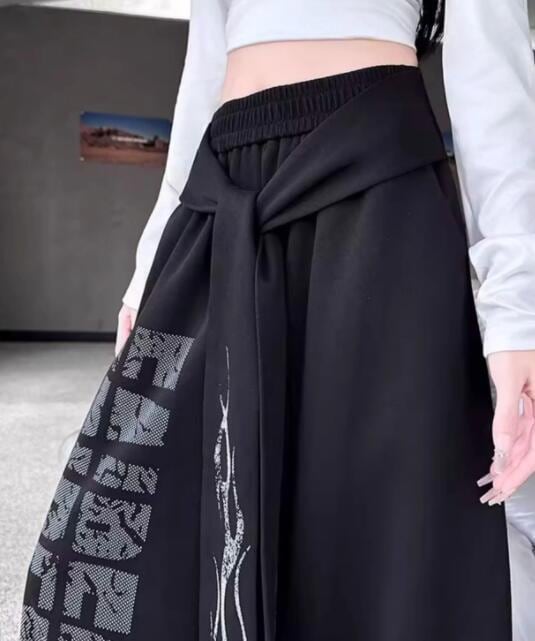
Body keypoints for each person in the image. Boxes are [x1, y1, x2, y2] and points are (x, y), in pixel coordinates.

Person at [20, 1, 535, 640]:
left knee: (363, 544)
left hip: (378, 196)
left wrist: (518, 319)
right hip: (222, 188)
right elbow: (203, 77)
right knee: (94, 547)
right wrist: (149, 267)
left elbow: (494, 91)